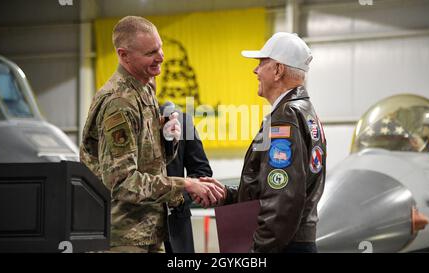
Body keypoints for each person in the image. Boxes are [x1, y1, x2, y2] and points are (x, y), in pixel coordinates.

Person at [79, 16, 224, 253]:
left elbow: (150, 164)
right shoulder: (119, 102)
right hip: (123, 238)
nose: (161, 57)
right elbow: (122, 183)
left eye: (160, 48)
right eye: (150, 52)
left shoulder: (145, 88)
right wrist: (185, 184)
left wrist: (168, 140)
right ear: (124, 55)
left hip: (149, 232)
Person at [199, 32, 327, 253]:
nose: (255, 70)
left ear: (278, 70)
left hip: (284, 246)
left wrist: (258, 251)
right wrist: (229, 195)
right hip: (295, 241)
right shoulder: (304, 112)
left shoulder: (286, 117)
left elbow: (283, 197)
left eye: (261, 63)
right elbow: (276, 186)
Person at [161, 104, 213, 253]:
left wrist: (178, 196)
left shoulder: (181, 121)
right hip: (134, 230)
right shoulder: (128, 118)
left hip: (176, 227)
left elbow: (202, 172)